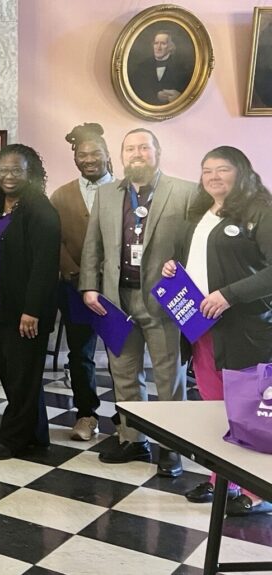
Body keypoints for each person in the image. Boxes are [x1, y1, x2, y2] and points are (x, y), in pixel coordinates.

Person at [162, 146, 272, 516]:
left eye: (222, 169)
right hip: (203, 327)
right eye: (207, 170)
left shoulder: (260, 209)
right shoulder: (201, 212)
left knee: (247, 409)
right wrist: (174, 270)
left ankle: (258, 491)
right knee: (214, 406)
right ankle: (221, 478)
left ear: (241, 171)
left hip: (245, 328)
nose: (213, 176)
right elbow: (200, 259)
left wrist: (228, 295)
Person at [80, 128, 197, 475]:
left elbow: (197, 246)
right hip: (118, 300)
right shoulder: (105, 195)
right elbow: (92, 246)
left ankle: (172, 449)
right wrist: (89, 286)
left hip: (164, 301)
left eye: (144, 148)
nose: (137, 154)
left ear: (157, 152)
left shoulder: (186, 192)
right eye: (130, 148)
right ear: (122, 155)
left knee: (168, 378)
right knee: (124, 374)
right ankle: (134, 440)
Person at [0, 144, 61, 461]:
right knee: (17, 375)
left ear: (31, 174)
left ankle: (11, 440)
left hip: (24, 309)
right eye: (4, 169)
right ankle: (37, 435)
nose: (9, 175)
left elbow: (43, 265)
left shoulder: (39, 209)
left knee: (22, 375)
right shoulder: (0, 207)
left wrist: (32, 311)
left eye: (17, 170)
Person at [49, 123, 113, 441]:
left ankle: (129, 419)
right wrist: (76, 274)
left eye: (95, 153)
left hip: (120, 290)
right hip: (74, 289)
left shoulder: (127, 190)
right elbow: (54, 241)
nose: (89, 159)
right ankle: (86, 414)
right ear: (75, 157)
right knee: (81, 353)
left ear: (107, 154)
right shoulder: (61, 195)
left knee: (123, 354)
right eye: (82, 154)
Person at [129, 30, 192, 106]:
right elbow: (136, 89)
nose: (158, 47)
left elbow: (188, 91)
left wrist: (180, 97)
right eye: (156, 43)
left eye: (163, 43)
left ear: (170, 47)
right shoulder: (142, 67)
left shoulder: (181, 67)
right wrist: (156, 95)